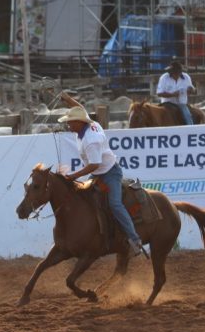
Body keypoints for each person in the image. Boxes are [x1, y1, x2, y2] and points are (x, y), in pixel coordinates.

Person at [57, 92, 146, 258]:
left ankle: (135, 239)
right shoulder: (89, 125)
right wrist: (68, 100)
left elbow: (94, 164)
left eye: (70, 122)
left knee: (115, 204)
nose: (68, 125)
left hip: (109, 173)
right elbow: (81, 109)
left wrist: (74, 176)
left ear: (79, 122)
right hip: (99, 173)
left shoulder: (91, 140)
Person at [156, 61, 196, 126]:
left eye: (176, 73)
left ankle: (191, 128)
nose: (173, 74)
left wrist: (191, 90)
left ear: (180, 72)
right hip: (166, 103)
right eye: (172, 72)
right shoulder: (164, 77)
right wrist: (172, 95)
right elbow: (159, 93)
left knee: (187, 116)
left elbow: (193, 89)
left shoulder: (186, 77)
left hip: (181, 103)